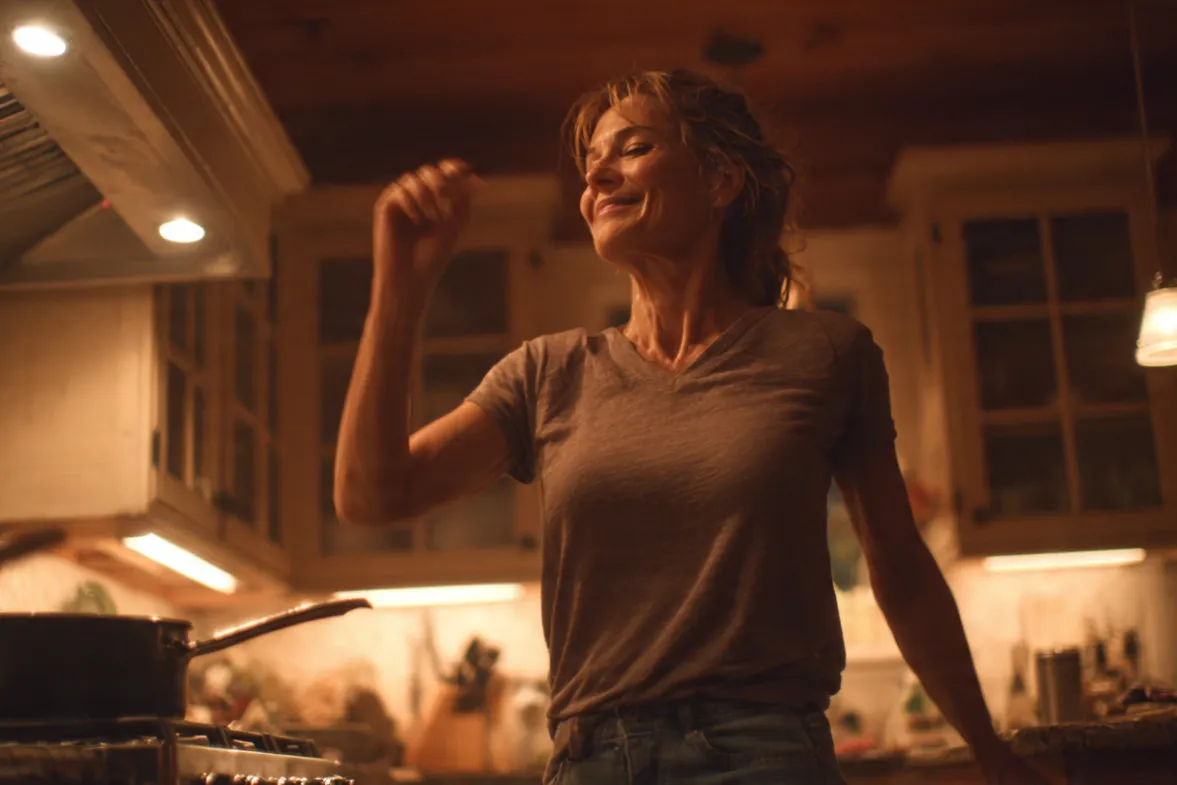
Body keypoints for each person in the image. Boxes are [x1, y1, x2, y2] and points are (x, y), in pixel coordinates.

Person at [334, 69, 1051, 785]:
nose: (598, 180)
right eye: (590, 169)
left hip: (767, 753)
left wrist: (987, 748)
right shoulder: (545, 373)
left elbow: (902, 572)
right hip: (593, 759)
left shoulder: (827, 354)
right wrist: (401, 279)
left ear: (720, 181)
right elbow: (372, 496)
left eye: (633, 148)